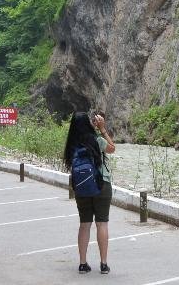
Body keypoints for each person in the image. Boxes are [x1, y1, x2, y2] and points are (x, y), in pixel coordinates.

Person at [63, 111, 116, 274]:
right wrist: (102, 129)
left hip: (81, 187)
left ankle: (82, 263)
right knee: (102, 223)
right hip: (101, 185)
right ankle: (104, 264)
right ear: (88, 124)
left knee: (85, 224)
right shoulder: (97, 140)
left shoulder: (71, 146)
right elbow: (112, 149)